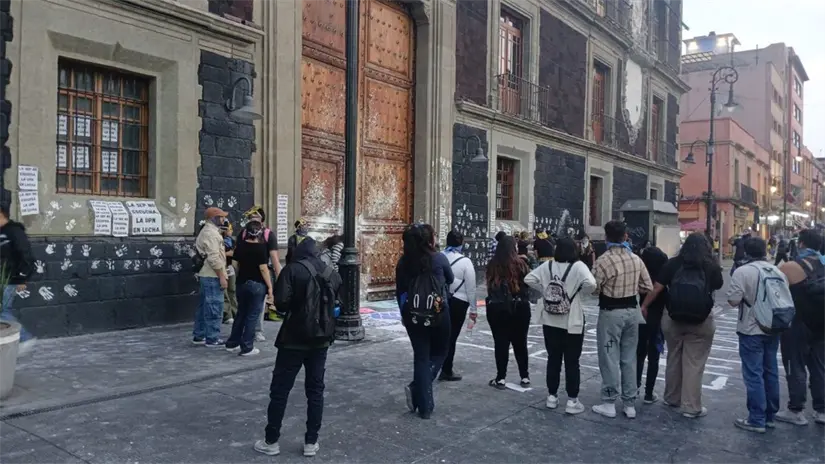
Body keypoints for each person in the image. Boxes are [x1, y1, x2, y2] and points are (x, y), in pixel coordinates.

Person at [255, 237, 342, 457]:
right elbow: (337, 302)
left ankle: (271, 440)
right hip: (320, 339)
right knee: (315, 390)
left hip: (293, 339)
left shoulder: (292, 270)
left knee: (280, 390)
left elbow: (282, 303)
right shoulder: (331, 272)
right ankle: (311, 442)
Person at [641, 234, 723, 418]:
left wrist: (645, 305)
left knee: (674, 357)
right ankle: (691, 406)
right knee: (694, 363)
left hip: (673, 318)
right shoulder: (710, 266)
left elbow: (657, 287)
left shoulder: (673, 263)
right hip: (701, 320)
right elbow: (718, 284)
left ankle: (671, 397)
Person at [525, 237, 596, 414]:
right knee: (572, 361)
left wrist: (546, 291)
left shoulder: (548, 266)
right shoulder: (578, 266)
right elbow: (591, 284)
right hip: (572, 320)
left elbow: (529, 278)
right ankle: (572, 400)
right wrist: (579, 292)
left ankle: (552, 396)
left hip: (550, 319)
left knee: (553, 358)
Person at [591, 220, 653, 419]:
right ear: (625, 236)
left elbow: (593, 287)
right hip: (631, 312)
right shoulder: (636, 259)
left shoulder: (603, 260)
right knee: (629, 357)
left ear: (607, 237)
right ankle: (629, 403)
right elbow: (648, 286)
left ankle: (609, 401)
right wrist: (633, 289)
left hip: (611, 312)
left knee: (609, 357)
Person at [395, 223, 453, 419]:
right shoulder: (438, 258)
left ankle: (425, 407)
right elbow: (451, 279)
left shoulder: (403, 262)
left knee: (421, 356)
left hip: (412, 313)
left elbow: (400, 291)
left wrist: (403, 314)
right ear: (430, 240)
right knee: (441, 351)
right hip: (438, 312)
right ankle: (419, 388)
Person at [727, 237, 785, 433]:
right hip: (773, 327)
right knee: (771, 371)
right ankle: (770, 416)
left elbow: (733, 301)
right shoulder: (777, 271)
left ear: (746, 252)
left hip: (751, 329)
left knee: (753, 374)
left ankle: (756, 418)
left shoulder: (743, 271)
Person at [775, 229, 825, 426]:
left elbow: (775, 291)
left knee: (795, 365)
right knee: (820, 366)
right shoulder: (823, 263)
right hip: (822, 323)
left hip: (798, 322)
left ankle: (796, 409)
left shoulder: (791, 266)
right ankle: (822, 410)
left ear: (801, 244)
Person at [485, 235, 532, 389]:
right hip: (520, 308)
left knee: (501, 342)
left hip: (498, 308)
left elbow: (490, 287)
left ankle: (501, 378)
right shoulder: (522, 264)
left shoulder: (493, 264)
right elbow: (529, 285)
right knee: (521, 342)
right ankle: (524, 376)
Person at [225, 214, 273, 356]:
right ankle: (247, 346)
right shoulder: (261, 249)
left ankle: (232, 343)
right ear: (259, 233)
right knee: (252, 316)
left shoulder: (240, 247)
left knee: (241, 313)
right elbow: (263, 269)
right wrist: (270, 287)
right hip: (257, 284)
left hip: (241, 283)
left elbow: (234, 265)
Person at [439, 230, 477, 382]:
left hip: (440, 300)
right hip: (459, 302)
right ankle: (446, 369)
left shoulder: (439, 257)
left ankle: (436, 362)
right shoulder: (465, 262)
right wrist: (473, 309)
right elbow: (471, 288)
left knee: (439, 334)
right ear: (461, 243)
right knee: (452, 336)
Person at [240, 206, 281, 342]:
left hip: (261, 274)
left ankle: (256, 331)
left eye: (256, 216)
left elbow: (274, 258)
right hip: (245, 273)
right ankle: (248, 332)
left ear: (262, 219)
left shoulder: (268, 234)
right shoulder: (243, 233)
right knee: (246, 306)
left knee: (258, 306)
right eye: (251, 217)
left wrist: (279, 275)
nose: (253, 219)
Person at [0, 202, 36, 355]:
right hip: (3, 279)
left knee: (3, 311)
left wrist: (22, 278)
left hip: (11, 279)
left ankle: (24, 338)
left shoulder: (14, 231)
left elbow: (26, 255)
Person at [636, 246, 669, 405]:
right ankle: (649, 393)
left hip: (640, 318)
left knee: (638, 355)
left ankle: (634, 387)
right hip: (657, 320)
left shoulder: (641, 275)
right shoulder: (663, 278)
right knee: (654, 357)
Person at [192, 207, 229, 347]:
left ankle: (199, 334)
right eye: (221, 217)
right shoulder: (211, 234)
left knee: (203, 307)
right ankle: (212, 338)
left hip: (205, 274)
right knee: (214, 306)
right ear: (214, 218)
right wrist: (222, 276)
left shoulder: (208, 232)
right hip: (212, 275)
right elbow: (214, 258)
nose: (224, 219)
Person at [222, 221, 238, 325]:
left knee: (232, 289)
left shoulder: (232, 240)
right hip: (222, 266)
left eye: (231, 230)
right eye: (229, 229)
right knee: (225, 292)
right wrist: (228, 253)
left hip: (230, 266)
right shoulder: (220, 240)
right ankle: (227, 315)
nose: (230, 232)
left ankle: (235, 312)